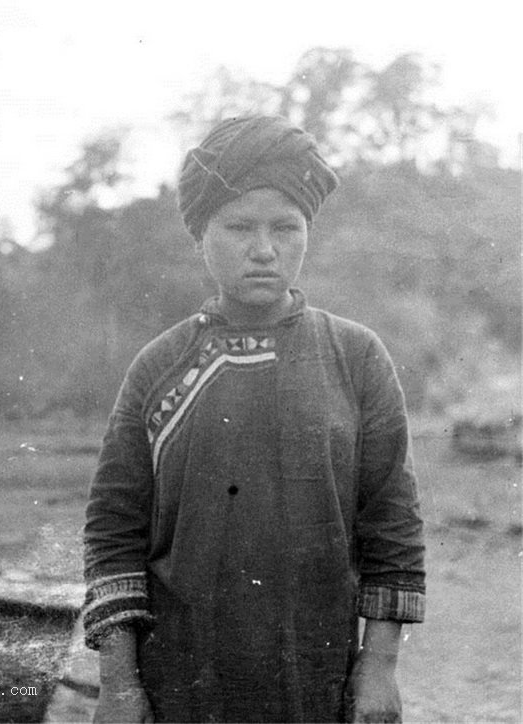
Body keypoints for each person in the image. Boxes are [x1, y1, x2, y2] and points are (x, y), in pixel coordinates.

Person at [83, 115, 426, 723]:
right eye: (239, 226)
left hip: (320, 678)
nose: (264, 249)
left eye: (285, 228)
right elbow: (114, 532)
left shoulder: (356, 357)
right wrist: (119, 686)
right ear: (201, 237)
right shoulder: (158, 367)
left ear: (306, 234)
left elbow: (391, 524)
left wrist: (379, 668)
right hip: (182, 682)